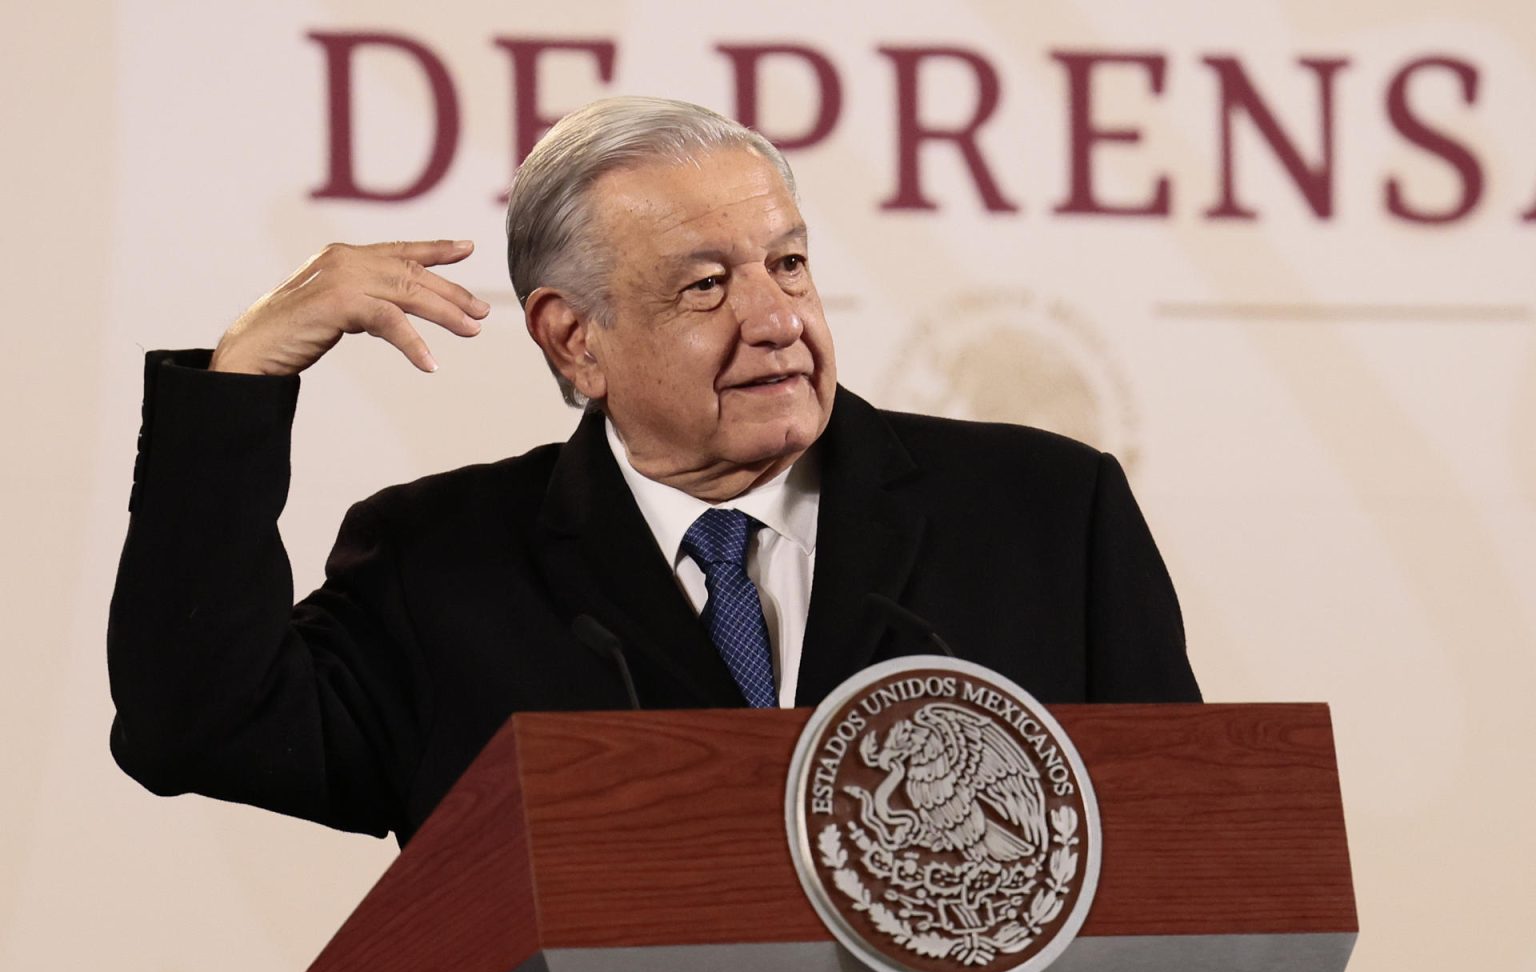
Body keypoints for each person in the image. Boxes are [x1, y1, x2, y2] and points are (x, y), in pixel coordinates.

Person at [108, 97, 1200, 845]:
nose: (778, 320)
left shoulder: (1048, 515)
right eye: (705, 287)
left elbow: (1192, 875)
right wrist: (240, 379)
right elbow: (195, 725)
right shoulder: (442, 566)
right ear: (575, 340)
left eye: (789, 263)